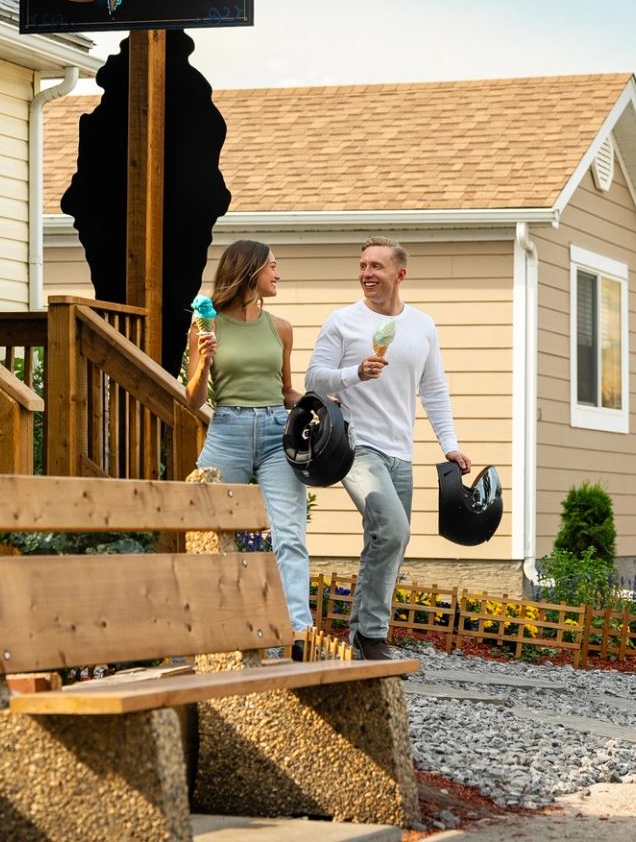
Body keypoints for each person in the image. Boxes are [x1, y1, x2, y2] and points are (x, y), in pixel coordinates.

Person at [306, 237, 470, 661]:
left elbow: (434, 389)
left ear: (400, 274)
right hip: (356, 446)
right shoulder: (343, 322)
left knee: (386, 540)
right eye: (362, 265)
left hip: (401, 452)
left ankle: (362, 636)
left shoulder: (422, 326)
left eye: (376, 266)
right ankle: (372, 634)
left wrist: (450, 445)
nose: (366, 274)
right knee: (394, 530)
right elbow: (314, 378)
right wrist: (355, 373)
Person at [184, 240, 312, 644]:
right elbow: (194, 400)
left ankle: (298, 632)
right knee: (210, 530)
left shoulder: (281, 328)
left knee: (290, 533)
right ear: (250, 270)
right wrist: (204, 361)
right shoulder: (206, 325)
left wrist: (318, 404)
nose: (278, 274)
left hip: (277, 433)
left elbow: (285, 390)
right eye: (273, 266)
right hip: (228, 430)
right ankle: (212, 628)